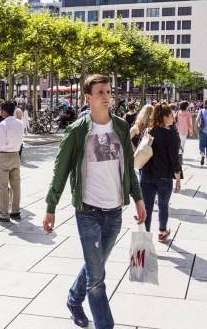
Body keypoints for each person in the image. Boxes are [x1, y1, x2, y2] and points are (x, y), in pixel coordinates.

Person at [43, 75, 146, 329]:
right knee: (98, 279)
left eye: (108, 91)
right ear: (87, 97)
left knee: (96, 266)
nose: (106, 95)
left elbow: (129, 168)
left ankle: (73, 299)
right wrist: (51, 206)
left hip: (115, 212)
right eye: (99, 91)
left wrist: (138, 198)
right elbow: (61, 169)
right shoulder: (77, 131)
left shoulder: (121, 127)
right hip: (87, 211)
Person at [140, 103, 180, 242]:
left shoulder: (148, 131)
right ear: (165, 117)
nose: (173, 117)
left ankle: (145, 237)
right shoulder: (171, 134)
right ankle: (162, 232)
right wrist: (178, 179)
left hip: (146, 175)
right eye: (171, 115)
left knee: (147, 208)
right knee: (163, 205)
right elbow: (174, 159)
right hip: (164, 176)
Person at [0, 100, 25, 222]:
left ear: (4, 111)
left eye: (1, 110)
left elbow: (1, 144)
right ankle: (15, 211)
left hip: (3, 155)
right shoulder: (20, 123)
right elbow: (21, 140)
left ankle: (3, 213)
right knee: (16, 185)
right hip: (16, 154)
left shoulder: (3, 124)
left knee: (1, 185)